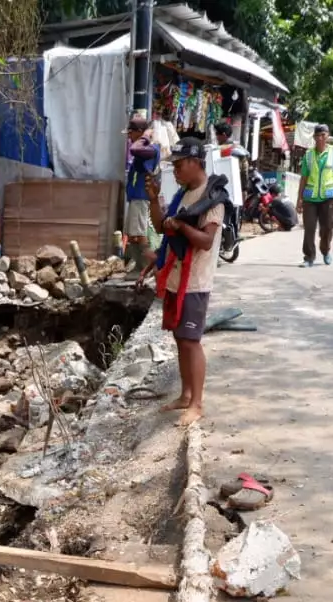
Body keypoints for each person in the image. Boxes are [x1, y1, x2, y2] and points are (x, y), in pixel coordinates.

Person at [151, 137, 227, 427]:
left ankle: (196, 403)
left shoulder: (213, 198)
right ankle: (185, 395)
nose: (177, 171)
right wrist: (153, 198)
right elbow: (161, 226)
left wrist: (181, 226)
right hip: (175, 279)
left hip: (195, 281)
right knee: (180, 338)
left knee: (191, 341)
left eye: (180, 165)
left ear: (196, 162)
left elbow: (206, 241)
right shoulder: (184, 195)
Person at [297, 124, 333, 267]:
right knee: (309, 228)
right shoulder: (309, 155)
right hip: (310, 197)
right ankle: (309, 257)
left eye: (323, 135)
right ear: (314, 138)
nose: (320, 139)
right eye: (317, 136)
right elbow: (303, 178)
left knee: (327, 227)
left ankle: (325, 250)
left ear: (327, 136)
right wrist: (299, 198)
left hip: (328, 197)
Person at [125, 116, 162, 273]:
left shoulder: (151, 149)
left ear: (140, 132)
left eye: (131, 132)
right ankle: (139, 265)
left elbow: (135, 148)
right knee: (133, 234)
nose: (129, 136)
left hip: (141, 197)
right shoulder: (145, 151)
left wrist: (145, 136)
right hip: (136, 197)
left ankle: (147, 266)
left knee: (139, 234)